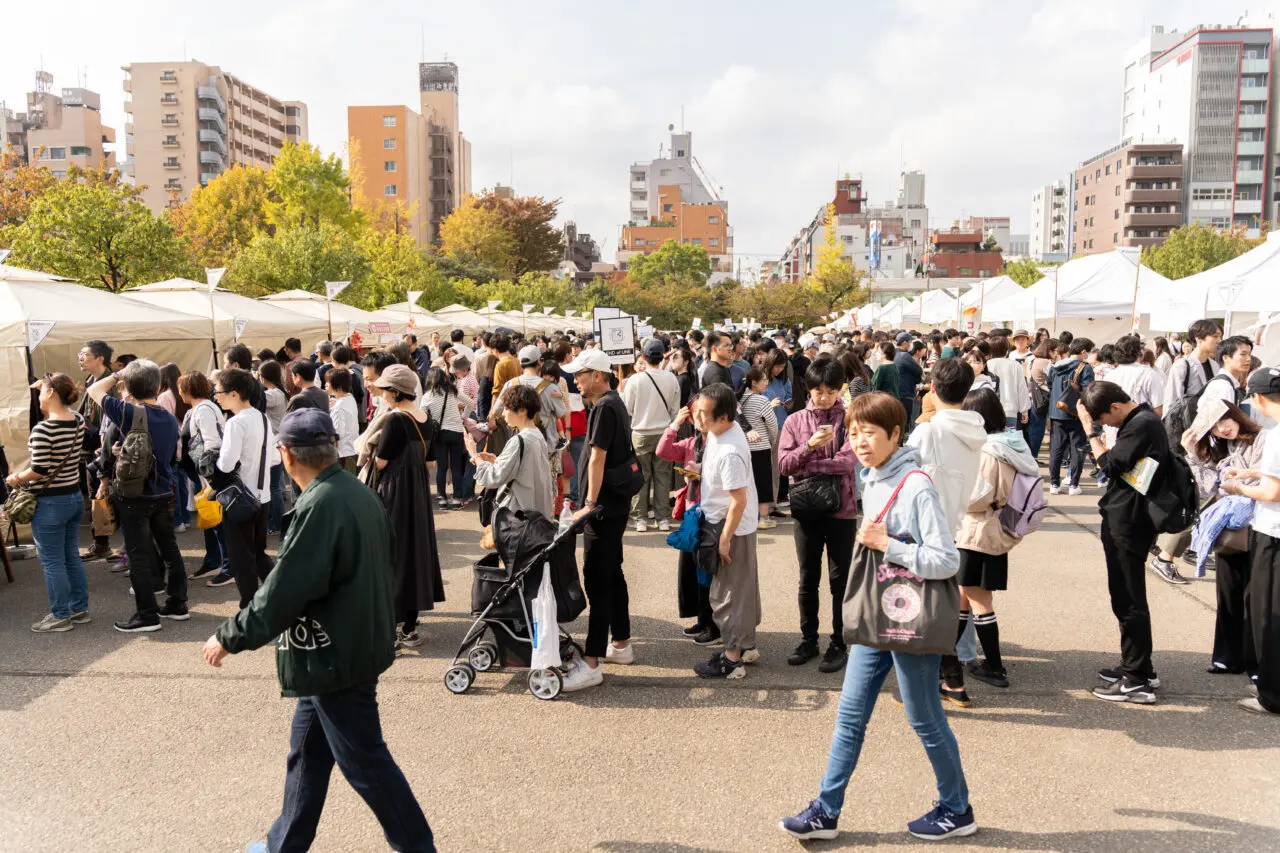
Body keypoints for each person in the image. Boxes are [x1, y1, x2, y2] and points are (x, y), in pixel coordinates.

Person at [202, 409, 436, 853]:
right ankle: (283, 845)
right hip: (342, 645)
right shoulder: (352, 492)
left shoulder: (322, 505)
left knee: (366, 764)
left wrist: (230, 636)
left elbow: (285, 588)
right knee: (307, 755)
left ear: (286, 454)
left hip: (337, 654)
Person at [779, 392, 973, 844]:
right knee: (849, 715)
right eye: (853, 432)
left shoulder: (917, 483)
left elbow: (946, 561)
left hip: (910, 618)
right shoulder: (871, 475)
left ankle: (957, 808)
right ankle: (826, 811)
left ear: (895, 435)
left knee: (925, 718)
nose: (859, 441)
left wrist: (891, 545)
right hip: (877, 611)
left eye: (869, 432)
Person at [940, 388, 1040, 698]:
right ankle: (947, 658)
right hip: (993, 530)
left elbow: (978, 496)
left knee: (978, 599)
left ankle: (994, 668)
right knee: (963, 596)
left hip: (977, 531)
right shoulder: (1012, 443)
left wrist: (951, 495)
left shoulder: (990, 451)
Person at [1077, 381, 1169, 704]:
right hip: (1128, 518)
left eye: (1104, 418)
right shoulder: (1142, 421)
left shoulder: (1141, 425)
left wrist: (1091, 434)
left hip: (1129, 522)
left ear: (1116, 407)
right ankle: (1139, 666)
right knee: (1126, 596)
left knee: (1128, 598)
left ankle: (1136, 680)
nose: (1106, 424)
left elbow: (1110, 465)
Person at [88, 360, 189, 632]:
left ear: (128, 386)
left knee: (139, 555)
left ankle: (147, 615)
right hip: (164, 492)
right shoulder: (168, 416)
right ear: (158, 386)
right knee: (170, 548)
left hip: (135, 496)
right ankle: (177, 604)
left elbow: (94, 390)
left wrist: (117, 374)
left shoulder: (128, 412)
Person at [778, 358, 857, 673]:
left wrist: (807, 464)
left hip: (842, 509)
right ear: (807, 389)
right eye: (817, 391)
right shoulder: (795, 421)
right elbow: (784, 465)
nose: (823, 397)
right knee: (808, 578)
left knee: (840, 580)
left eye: (829, 391)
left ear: (839, 390)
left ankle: (839, 642)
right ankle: (808, 639)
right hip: (806, 510)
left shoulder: (850, 419)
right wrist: (810, 446)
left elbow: (847, 463)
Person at [1175, 403, 1266, 674]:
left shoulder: (1262, 439)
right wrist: (1192, 455)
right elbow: (1206, 489)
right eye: (1214, 427)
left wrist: (1238, 485)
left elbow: (1268, 481)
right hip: (1228, 526)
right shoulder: (1221, 447)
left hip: (1259, 524)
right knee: (1228, 589)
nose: (1222, 429)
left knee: (1256, 595)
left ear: (1235, 415)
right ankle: (1228, 656)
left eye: (1224, 421)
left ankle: (1258, 662)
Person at [564, 348, 636, 690]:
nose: (575, 380)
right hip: (614, 505)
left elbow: (596, 458)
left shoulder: (605, 406)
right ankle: (620, 642)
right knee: (612, 573)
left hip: (604, 507)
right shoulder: (611, 403)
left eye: (580, 374)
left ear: (597, 375)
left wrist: (589, 502)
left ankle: (592, 661)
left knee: (597, 579)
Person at [369, 364, 445, 651]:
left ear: (396, 392)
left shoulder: (395, 420)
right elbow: (430, 462)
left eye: (386, 389)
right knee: (415, 552)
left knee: (391, 554)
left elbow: (381, 462)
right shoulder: (426, 418)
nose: (382, 393)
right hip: (419, 492)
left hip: (395, 490)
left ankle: (389, 631)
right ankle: (409, 628)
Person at [690, 383, 763, 679]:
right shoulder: (722, 434)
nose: (698, 417)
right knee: (742, 589)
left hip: (730, 527)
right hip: (730, 524)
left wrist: (724, 539)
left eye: (704, 413)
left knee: (728, 594)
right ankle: (745, 646)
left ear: (724, 417)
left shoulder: (730, 449)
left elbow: (739, 500)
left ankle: (732, 658)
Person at [1220, 369, 1280, 714]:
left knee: (1268, 615)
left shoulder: (1274, 436)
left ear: (1255, 399)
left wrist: (1238, 488)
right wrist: (1253, 472)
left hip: (1273, 534)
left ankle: (1272, 695)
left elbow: (1273, 492)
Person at [9, 374, 88, 632]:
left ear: (52, 393)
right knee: (71, 557)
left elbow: (39, 469)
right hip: (74, 497)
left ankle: (60, 615)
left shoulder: (43, 429)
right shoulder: (78, 419)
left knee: (52, 562)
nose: (39, 396)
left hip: (51, 503)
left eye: (43, 392)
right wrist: (47, 383)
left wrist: (16, 477)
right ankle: (79, 609)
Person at [214, 368, 278, 609]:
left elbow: (226, 463)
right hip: (262, 496)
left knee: (241, 556)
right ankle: (276, 595)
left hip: (240, 499)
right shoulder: (262, 417)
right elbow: (274, 458)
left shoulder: (235, 423)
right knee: (258, 552)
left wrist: (218, 461)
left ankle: (249, 604)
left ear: (234, 393)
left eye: (219, 392)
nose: (216, 396)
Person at [467, 383, 554, 519]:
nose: (503, 413)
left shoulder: (520, 440)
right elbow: (524, 469)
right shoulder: (537, 435)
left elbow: (493, 476)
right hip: (535, 514)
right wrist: (496, 460)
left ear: (522, 411)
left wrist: (474, 454)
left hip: (518, 516)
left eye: (507, 408)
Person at [621, 340, 680, 533]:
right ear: (663, 355)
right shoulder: (671, 378)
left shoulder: (635, 380)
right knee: (662, 476)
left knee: (641, 476)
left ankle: (640, 518)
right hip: (664, 432)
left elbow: (628, 409)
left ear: (644, 357)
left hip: (640, 433)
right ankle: (662, 518)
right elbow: (675, 409)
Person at [77, 339, 118, 561]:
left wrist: (106, 446)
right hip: (92, 448)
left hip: (106, 448)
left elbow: (114, 418)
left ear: (99, 358)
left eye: (85, 354)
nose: (81, 358)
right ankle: (101, 543)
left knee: (109, 495)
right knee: (97, 496)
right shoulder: (90, 379)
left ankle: (115, 545)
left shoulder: (109, 383)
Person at [1047, 339, 1096, 496]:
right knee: (1077, 449)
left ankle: (1054, 484)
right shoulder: (1085, 368)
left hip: (1056, 412)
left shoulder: (1054, 366)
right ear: (1083, 352)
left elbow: (1049, 386)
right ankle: (1074, 485)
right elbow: (1090, 392)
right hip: (1076, 414)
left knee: (1056, 449)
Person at [422, 366, 472, 508]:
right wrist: (464, 417)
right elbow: (470, 402)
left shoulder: (427, 396)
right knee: (456, 466)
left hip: (439, 434)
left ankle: (442, 498)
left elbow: (423, 416)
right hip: (456, 432)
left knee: (442, 466)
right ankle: (457, 498)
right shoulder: (452, 391)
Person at [741, 368, 780, 531]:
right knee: (762, 482)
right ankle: (763, 517)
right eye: (763, 380)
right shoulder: (762, 401)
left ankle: (748, 516)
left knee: (747, 483)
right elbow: (772, 424)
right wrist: (772, 439)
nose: (766, 382)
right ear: (754, 383)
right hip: (761, 445)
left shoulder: (740, 399)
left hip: (743, 447)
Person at [158, 362, 192, 533]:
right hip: (185, 444)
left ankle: (177, 520)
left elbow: (164, 423)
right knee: (182, 482)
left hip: (172, 444)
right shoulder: (183, 393)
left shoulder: (165, 396)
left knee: (174, 484)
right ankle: (185, 518)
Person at [1163, 319, 1223, 416]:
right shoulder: (1182, 365)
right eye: (1215, 336)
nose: (1219, 341)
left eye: (1220, 337)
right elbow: (1171, 401)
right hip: (1186, 425)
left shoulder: (1215, 365)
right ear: (1198, 339)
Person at [258, 360, 289, 534]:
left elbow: (256, 399)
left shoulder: (272, 395)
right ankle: (277, 521)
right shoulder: (279, 392)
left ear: (263, 377)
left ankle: (276, 523)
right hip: (279, 440)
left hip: (275, 441)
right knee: (275, 485)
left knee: (274, 486)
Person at [985, 336, 1030, 431]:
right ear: (1007, 349)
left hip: (990, 410)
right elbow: (1022, 388)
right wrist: (1024, 410)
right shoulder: (1015, 365)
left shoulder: (987, 365)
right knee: (1009, 442)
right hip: (1010, 410)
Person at [1025, 338, 1058, 458]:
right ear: (1049, 350)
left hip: (1033, 398)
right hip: (1041, 399)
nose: (1056, 354)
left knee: (1034, 429)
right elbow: (1054, 378)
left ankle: (1031, 456)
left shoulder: (1034, 360)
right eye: (1055, 351)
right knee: (1037, 431)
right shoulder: (1045, 362)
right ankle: (1032, 457)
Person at [326, 368, 359, 472]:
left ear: (338, 387)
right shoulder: (350, 397)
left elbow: (338, 434)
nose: (326, 384)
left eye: (329, 382)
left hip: (343, 453)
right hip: (353, 448)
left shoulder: (338, 408)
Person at [893, 334, 925, 428]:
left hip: (897, 391)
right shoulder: (904, 355)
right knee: (904, 422)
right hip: (905, 392)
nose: (911, 344)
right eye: (910, 342)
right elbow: (918, 370)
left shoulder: (894, 353)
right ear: (904, 343)